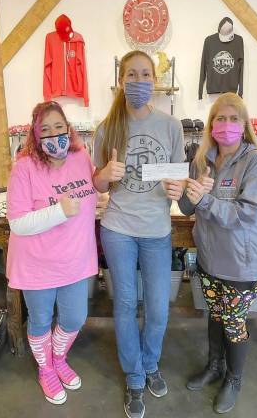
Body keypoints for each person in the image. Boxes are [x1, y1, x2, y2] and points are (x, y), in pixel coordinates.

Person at [93, 50, 185, 418]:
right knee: (126, 304)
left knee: (159, 308)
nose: (139, 81)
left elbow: (178, 176)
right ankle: (134, 375)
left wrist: (178, 188)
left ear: (155, 80)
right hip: (118, 228)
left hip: (157, 229)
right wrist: (105, 176)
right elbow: (95, 182)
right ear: (122, 79)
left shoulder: (171, 126)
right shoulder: (107, 127)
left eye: (145, 74)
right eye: (132, 75)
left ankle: (150, 363)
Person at [179, 92, 257, 414]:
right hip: (211, 259)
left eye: (234, 118)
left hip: (242, 265)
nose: (227, 124)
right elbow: (188, 207)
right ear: (211, 124)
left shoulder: (256, 161)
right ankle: (214, 366)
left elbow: (247, 214)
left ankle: (234, 378)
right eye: (221, 118)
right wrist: (182, 192)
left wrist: (204, 200)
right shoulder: (202, 158)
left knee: (234, 322)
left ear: (244, 125)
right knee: (216, 316)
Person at [6, 101, 98, 405]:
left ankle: (59, 358)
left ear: (68, 128)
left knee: (74, 317)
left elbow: (94, 188)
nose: (53, 135)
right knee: (41, 320)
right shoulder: (23, 168)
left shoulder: (81, 157)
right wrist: (58, 211)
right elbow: (18, 222)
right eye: (44, 129)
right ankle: (45, 368)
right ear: (34, 133)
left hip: (74, 260)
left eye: (59, 127)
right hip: (37, 264)